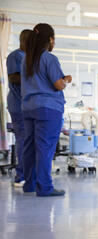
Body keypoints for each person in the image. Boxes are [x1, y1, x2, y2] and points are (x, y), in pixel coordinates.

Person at [21, 23, 71, 197]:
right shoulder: (49, 58)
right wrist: (65, 80)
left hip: (28, 108)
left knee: (29, 147)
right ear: (50, 40)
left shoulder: (25, 59)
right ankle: (45, 188)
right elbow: (58, 85)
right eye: (53, 40)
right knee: (45, 148)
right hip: (48, 109)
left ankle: (29, 184)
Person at [6, 29, 32, 188]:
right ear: (24, 41)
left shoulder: (28, 57)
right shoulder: (16, 56)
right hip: (18, 105)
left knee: (27, 140)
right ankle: (20, 176)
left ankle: (27, 173)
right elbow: (13, 77)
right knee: (23, 140)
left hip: (26, 105)